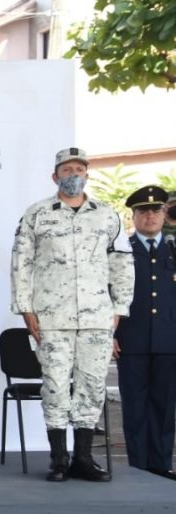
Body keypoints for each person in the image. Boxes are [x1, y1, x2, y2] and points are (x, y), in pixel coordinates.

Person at [11, 147, 134, 482]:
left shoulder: (107, 216)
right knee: (54, 385)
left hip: (97, 316)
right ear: (56, 177)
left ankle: (83, 458)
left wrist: (119, 309)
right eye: (67, 170)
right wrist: (26, 307)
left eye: (79, 168)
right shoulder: (37, 214)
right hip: (52, 317)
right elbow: (22, 263)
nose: (74, 174)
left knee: (92, 385)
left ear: (87, 175)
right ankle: (59, 459)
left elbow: (122, 264)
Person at [113, 185, 176, 481]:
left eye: (155, 210)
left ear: (164, 214)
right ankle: (138, 466)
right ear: (134, 216)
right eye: (143, 211)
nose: (149, 216)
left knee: (164, 406)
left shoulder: (173, 250)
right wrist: (110, 334)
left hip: (169, 340)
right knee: (135, 405)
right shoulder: (120, 250)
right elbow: (107, 294)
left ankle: (161, 463)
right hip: (131, 339)